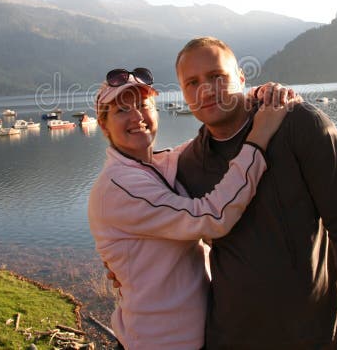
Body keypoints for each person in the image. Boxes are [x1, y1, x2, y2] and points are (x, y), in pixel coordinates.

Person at [175, 37, 337, 350]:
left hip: (315, 336)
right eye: (192, 82)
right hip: (230, 338)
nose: (205, 90)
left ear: (242, 78)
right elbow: (166, 230)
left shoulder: (300, 125)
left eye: (217, 77)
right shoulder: (189, 164)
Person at [87, 67, 296, 350]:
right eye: (122, 110)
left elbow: (209, 140)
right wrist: (261, 136)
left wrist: (254, 98)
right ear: (104, 125)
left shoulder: (156, 166)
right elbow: (213, 216)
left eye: (144, 106)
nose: (137, 117)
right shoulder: (119, 185)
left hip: (195, 335)